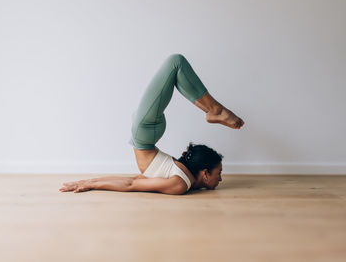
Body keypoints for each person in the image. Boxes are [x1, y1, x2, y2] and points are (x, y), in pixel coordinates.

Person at [59, 53, 244, 195]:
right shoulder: (180, 181)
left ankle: (215, 110)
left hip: (146, 131)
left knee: (177, 65)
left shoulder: (180, 182)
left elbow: (133, 182)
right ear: (205, 173)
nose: (220, 178)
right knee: (176, 63)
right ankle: (214, 110)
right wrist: (90, 183)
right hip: (145, 131)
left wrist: (89, 182)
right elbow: (133, 183)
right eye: (218, 173)